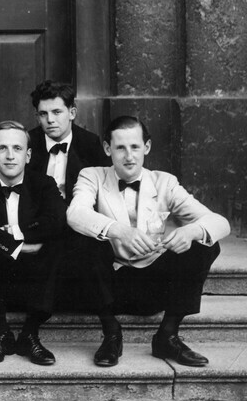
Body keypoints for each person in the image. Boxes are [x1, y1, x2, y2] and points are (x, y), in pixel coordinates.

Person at [67, 116, 230, 367]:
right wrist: (119, 231)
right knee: (85, 240)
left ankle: (167, 335)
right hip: (109, 284)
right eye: (120, 148)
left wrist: (191, 232)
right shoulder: (92, 176)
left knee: (205, 242)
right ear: (108, 149)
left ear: (147, 147)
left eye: (134, 147)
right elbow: (75, 213)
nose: (129, 156)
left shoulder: (165, 182)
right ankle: (111, 334)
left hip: (156, 284)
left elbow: (220, 222)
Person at [0, 121, 66, 366]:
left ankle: (30, 334)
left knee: (57, 243)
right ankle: (1, 333)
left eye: (17, 149)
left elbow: (55, 221)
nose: (10, 156)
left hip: (34, 275)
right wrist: (16, 246)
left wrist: (16, 232)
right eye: (2, 148)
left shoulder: (44, 183)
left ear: (28, 155)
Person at [27, 80, 110, 203]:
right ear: (37, 117)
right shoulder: (27, 142)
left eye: (57, 112)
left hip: (76, 215)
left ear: (72, 113)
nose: (50, 120)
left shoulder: (90, 143)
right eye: (43, 114)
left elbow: (104, 191)